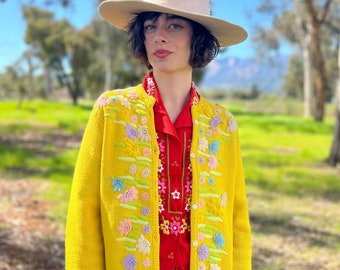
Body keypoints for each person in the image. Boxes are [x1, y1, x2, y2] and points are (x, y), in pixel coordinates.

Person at [65, 0, 252, 269]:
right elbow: (84, 213)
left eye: (175, 25)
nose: (159, 36)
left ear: (197, 37)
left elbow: (236, 221)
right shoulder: (113, 112)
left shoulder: (221, 125)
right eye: (151, 26)